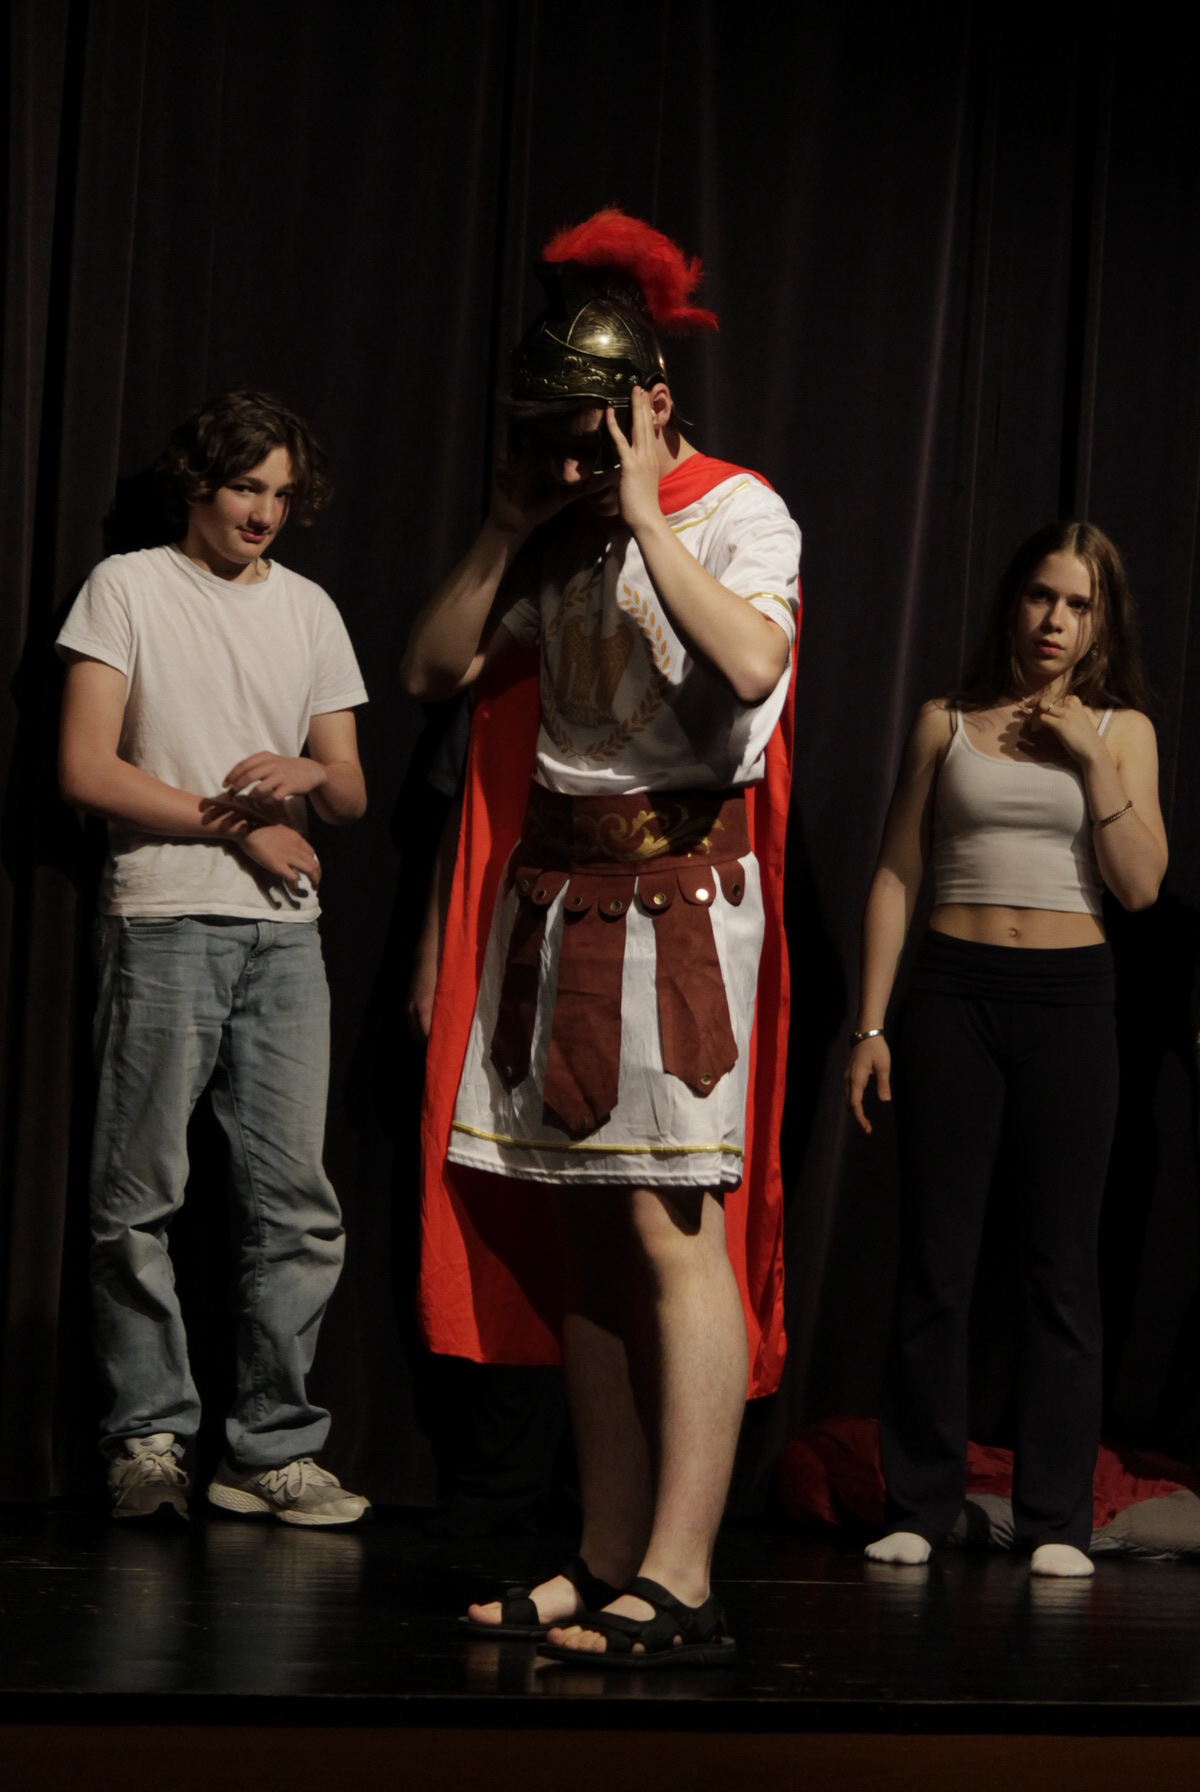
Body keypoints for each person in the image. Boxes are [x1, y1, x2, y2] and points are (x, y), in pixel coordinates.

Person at [401, 210, 801, 1663]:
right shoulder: (556, 529)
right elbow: (432, 667)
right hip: (558, 904)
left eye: (594, 430)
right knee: (586, 1230)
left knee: (668, 1227)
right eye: (556, 434)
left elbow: (750, 660)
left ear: (652, 404)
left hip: (677, 902)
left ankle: (682, 1577)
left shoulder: (741, 512)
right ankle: (607, 1551)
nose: (575, 453)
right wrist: (511, 523)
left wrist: (645, 515)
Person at [57, 390, 371, 1526]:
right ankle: (148, 1439)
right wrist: (239, 823)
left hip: (285, 934)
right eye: (246, 486)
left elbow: (350, 790)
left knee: (298, 1205)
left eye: (282, 493)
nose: (264, 512)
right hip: (163, 920)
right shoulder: (129, 587)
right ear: (198, 482)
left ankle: (270, 1448)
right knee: (140, 1196)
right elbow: (87, 770)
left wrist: (308, 775)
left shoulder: (311, 608)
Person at [845, 520, 1167, 1577]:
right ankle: (919, 1501)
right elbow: (896, 872)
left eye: (1078, 604)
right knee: (937, 1260)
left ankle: (1056, 1520)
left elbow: (1141, 886)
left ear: (1101, 622)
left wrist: (1088, 756)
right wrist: (872, 1024)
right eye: (1041, 596)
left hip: (1071, 1004)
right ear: (1012, 603)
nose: (1055, 620)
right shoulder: (945, 722)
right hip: (954, 994)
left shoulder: (1122, 730)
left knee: (1060, 1267)